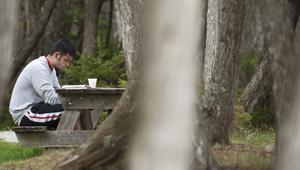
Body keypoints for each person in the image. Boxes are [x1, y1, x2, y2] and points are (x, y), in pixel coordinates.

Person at [9, 39, 76, 129]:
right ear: (57, 55)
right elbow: (52, 99)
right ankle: (84, 140)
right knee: (73, 110)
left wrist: (73, 100)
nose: (67, 64)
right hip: (25, 113)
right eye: (66, 60)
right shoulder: (39, 68)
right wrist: (74, 100)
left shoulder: (51, 70)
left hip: (38, 108)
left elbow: (59, 94)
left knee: (78, 108)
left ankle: (86, 139)